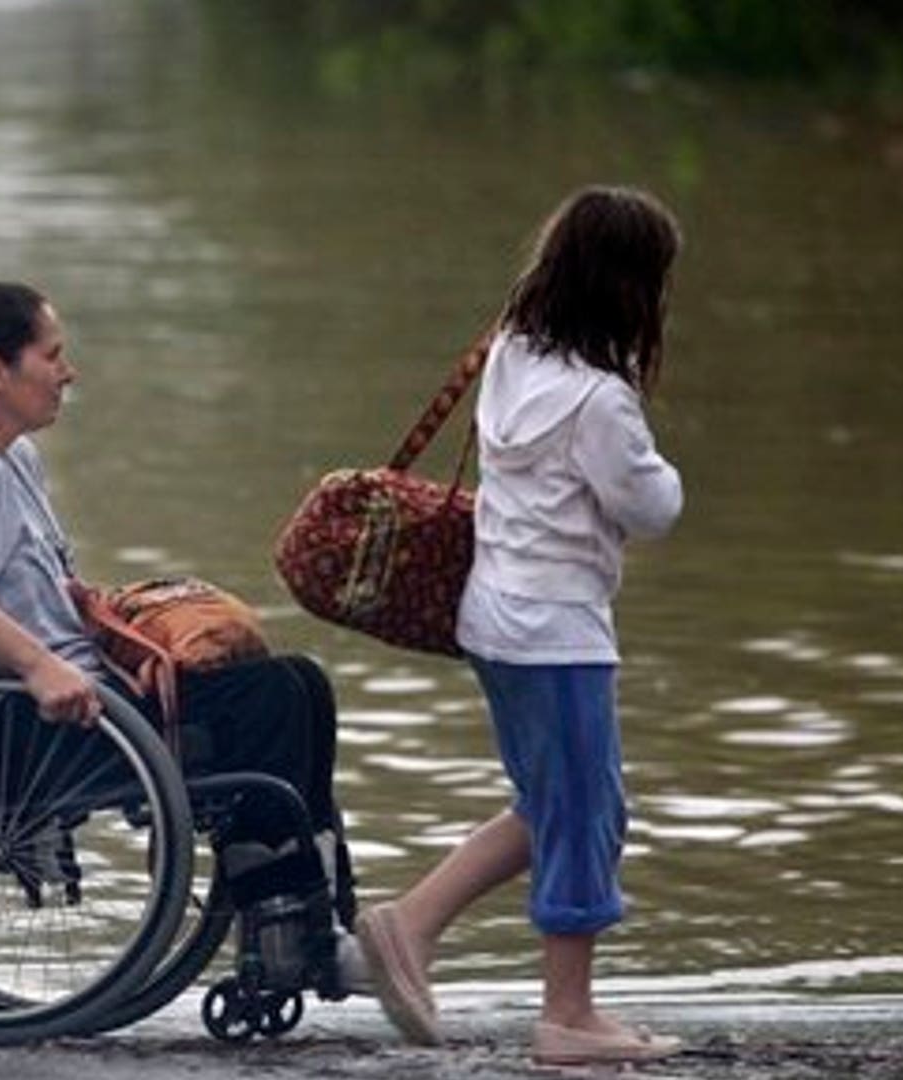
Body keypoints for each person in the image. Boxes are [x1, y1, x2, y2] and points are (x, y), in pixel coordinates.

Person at [0, 281, 365, 998]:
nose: (68, 372)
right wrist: (38, 665)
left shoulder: (10, 456)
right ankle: (287, 927)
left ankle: (311, 918)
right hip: (32, 725)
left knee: (302, 685)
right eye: (53, 356)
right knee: (271, 701)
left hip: (85, 694)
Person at [356, 187, 685, 1066]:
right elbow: (650, 507)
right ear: (628, 287)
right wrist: (666, 473)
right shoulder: (600, 399)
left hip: (494, 617)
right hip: (559, 631)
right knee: (583, 816)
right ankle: (567, 1017)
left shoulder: (511, 353)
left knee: (559, 805)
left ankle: (409, 924)